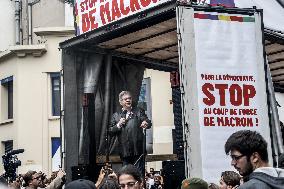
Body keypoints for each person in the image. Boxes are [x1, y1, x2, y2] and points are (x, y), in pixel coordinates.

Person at [109, 91, 152, 174]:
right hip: (124, 151)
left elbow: (148, 122)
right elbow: (110, 132)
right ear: (121, 102)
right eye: (125, 99)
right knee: (127, 174)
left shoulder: (139, 111)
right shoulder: (116, 115)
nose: (128, 100)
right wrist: (118, 124)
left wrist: (146, 123)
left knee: (139, 174)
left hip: (138, 150)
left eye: (129, 98)